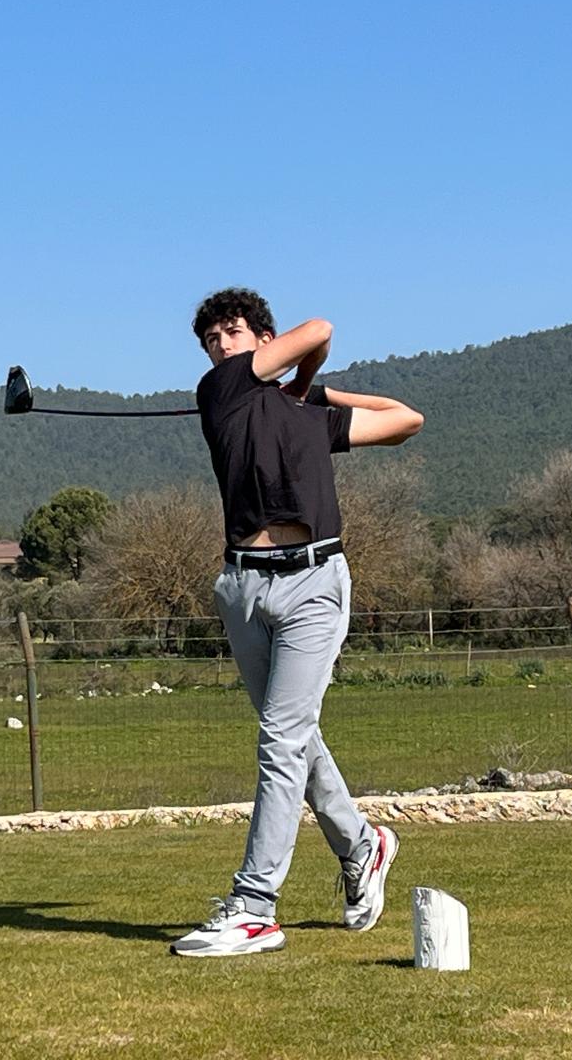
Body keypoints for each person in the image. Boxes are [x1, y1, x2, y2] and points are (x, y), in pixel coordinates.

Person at [171, 289, 424, 958]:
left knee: (282, 741)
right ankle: (364, 845)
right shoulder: (221, 389)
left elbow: (406, 419)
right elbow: (318, 333)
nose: (220, 346)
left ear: (264, 338)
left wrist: (317, 393)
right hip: (243, 588)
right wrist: (300, 379)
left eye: (231, 333)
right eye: (211, 340)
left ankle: (255, 908)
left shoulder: (306, 415)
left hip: (314, 582)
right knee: (293, 739)